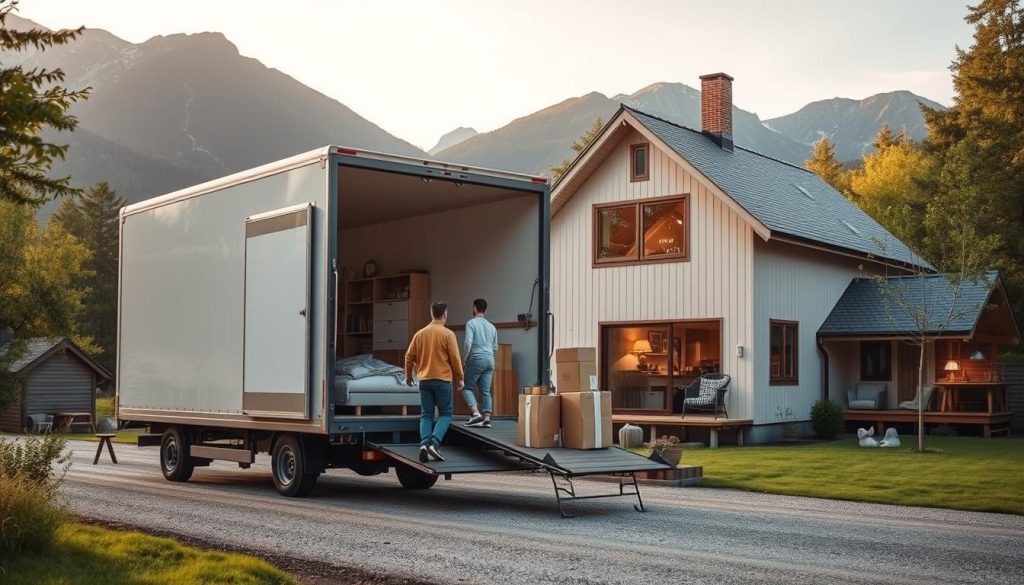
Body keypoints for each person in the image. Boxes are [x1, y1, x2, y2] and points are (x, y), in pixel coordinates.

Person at [405, 301, 464, 462]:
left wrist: (409, 375)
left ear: (432, 314)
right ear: (445, 314)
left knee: (426, 415)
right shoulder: (448, 334)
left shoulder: (420, 334)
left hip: (424, 380)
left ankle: (424, 445)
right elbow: (455, 359)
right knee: (445, 414)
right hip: (443, 380)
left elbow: (409, 356)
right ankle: (434, 444)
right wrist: (460, 377)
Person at [462, 298, 498, 428]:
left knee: (466, 387)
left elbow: (468, 343)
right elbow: (495, 347)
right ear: (485, 309)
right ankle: (487, 418)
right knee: (485, 391)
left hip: (477, 358)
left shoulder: (471, 323)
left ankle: (476, 414)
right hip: (490, 360)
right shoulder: (492, 327)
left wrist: (464, 359)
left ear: (474, 308)